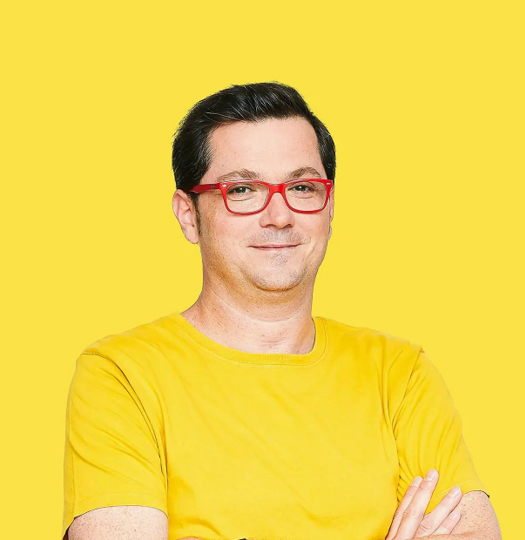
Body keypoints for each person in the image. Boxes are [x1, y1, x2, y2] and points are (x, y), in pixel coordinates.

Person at [62, 82, 502, 540]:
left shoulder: (400, 373)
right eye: (242, 189)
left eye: (302, 187)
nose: (279, 216)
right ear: (189, 215)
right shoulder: (121, 374)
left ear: (329, 206)